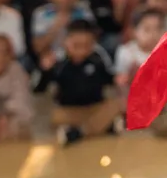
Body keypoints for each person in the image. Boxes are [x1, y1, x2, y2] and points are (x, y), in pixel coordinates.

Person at [39, 19, 121, 147]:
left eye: (86, 46)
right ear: (66, 43)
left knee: (117, 105)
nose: (81, 51)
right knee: (55, 117)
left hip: (94, 107)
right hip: (70, 111)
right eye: (76, 46)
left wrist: (117, 79)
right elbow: (39, 89)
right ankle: (102, 127)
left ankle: (78, 133)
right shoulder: (59, 63)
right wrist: (45, 71)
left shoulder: (97, 59)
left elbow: (109, 80)